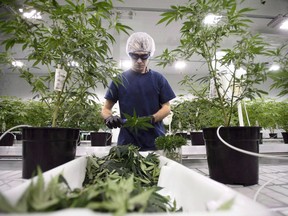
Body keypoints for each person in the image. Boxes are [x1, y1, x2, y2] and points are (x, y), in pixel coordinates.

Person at [101, 32, 175, 151]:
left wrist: (152, 118)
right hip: (127, 143)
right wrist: (109, 118)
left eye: (144, 56)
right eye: (135, 56)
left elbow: (166, 108)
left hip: (155, 141)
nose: (139, 61)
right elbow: (105, 109)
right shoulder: (119, 80)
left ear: (150, 55)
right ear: (129, 55)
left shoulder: (158, 79)